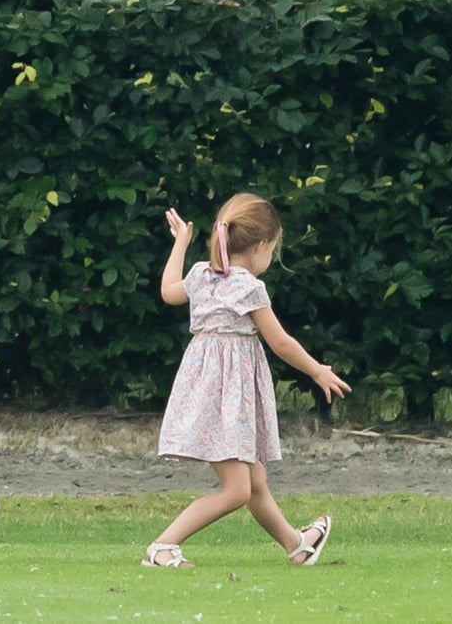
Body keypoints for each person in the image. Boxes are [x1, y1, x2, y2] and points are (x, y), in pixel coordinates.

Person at [143, 192, 352, 568]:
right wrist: (317, 370)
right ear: (260, 246)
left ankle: (297, 544)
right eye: (273, 248)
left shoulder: (202, 275)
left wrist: (180, 245)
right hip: (226, 398)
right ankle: (163, 546)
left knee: (255, 483)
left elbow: (167, 291)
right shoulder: (248, 287)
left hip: (208, 393)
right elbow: (281, 343)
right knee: (238, 490)